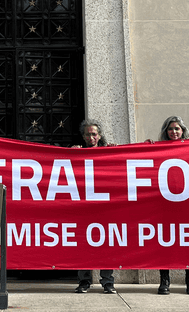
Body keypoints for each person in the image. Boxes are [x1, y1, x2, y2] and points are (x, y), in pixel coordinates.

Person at [152, 116, 189, 295]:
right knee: (165, 242)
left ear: (182, 130)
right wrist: (148, 147)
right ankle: (164, 280)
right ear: (166, 132)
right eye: (170, 129)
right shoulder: (159, 148)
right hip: (164, 204)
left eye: (177, 128)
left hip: (187, 203)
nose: (174, 132)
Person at [70, 119, 116, 294]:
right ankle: (84, 281)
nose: (91, 137)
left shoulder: (108, 153)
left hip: (104, 207)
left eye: (94, 134)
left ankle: (108, 282)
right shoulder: (77, 153)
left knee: (106, 245)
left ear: (100, 135)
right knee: (83, 245)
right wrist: (71, 154)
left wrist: (116, 152)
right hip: (84, 207)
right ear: (83, 136)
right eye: (88, 134)